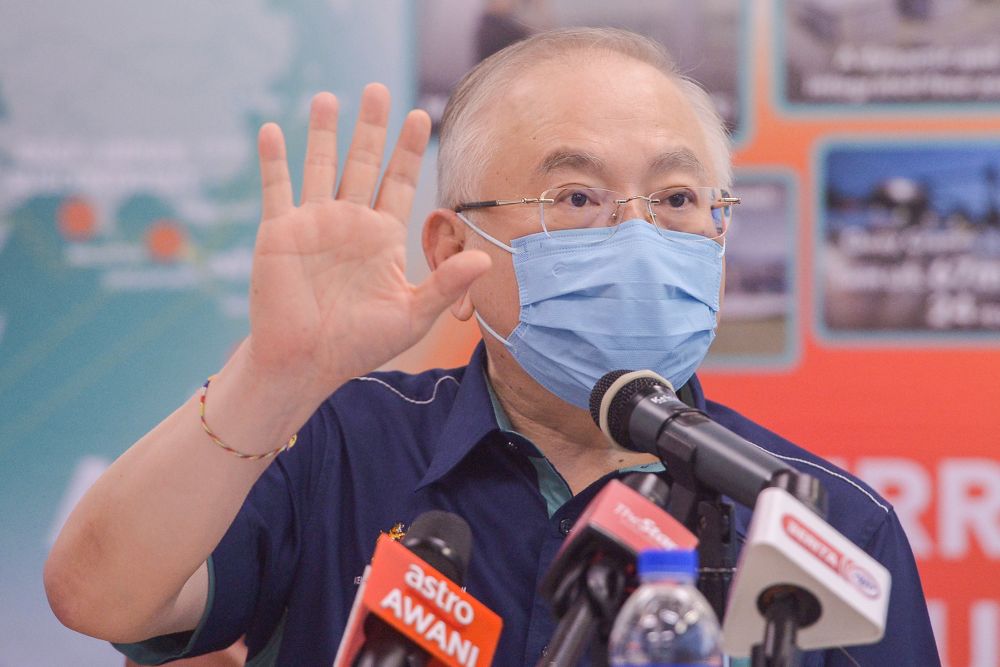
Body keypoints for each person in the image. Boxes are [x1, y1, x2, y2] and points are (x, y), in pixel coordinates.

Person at [45, 28, 939, 666]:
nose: (637, 234)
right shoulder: (338, 444)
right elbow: (98, 595)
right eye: (578, 198)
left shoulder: (822, 523)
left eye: (675, 199)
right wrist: (272, 377)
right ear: (451, 251)